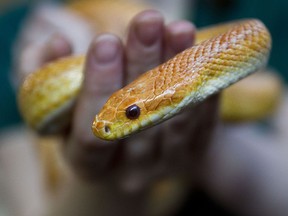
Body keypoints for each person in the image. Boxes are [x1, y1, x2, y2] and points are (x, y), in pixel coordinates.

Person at [1, 1, 288, 216]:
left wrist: (212, 149)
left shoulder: (268, 11)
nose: (105, 124)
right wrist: (103, 181)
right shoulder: (27, 30)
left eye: (133, 113)